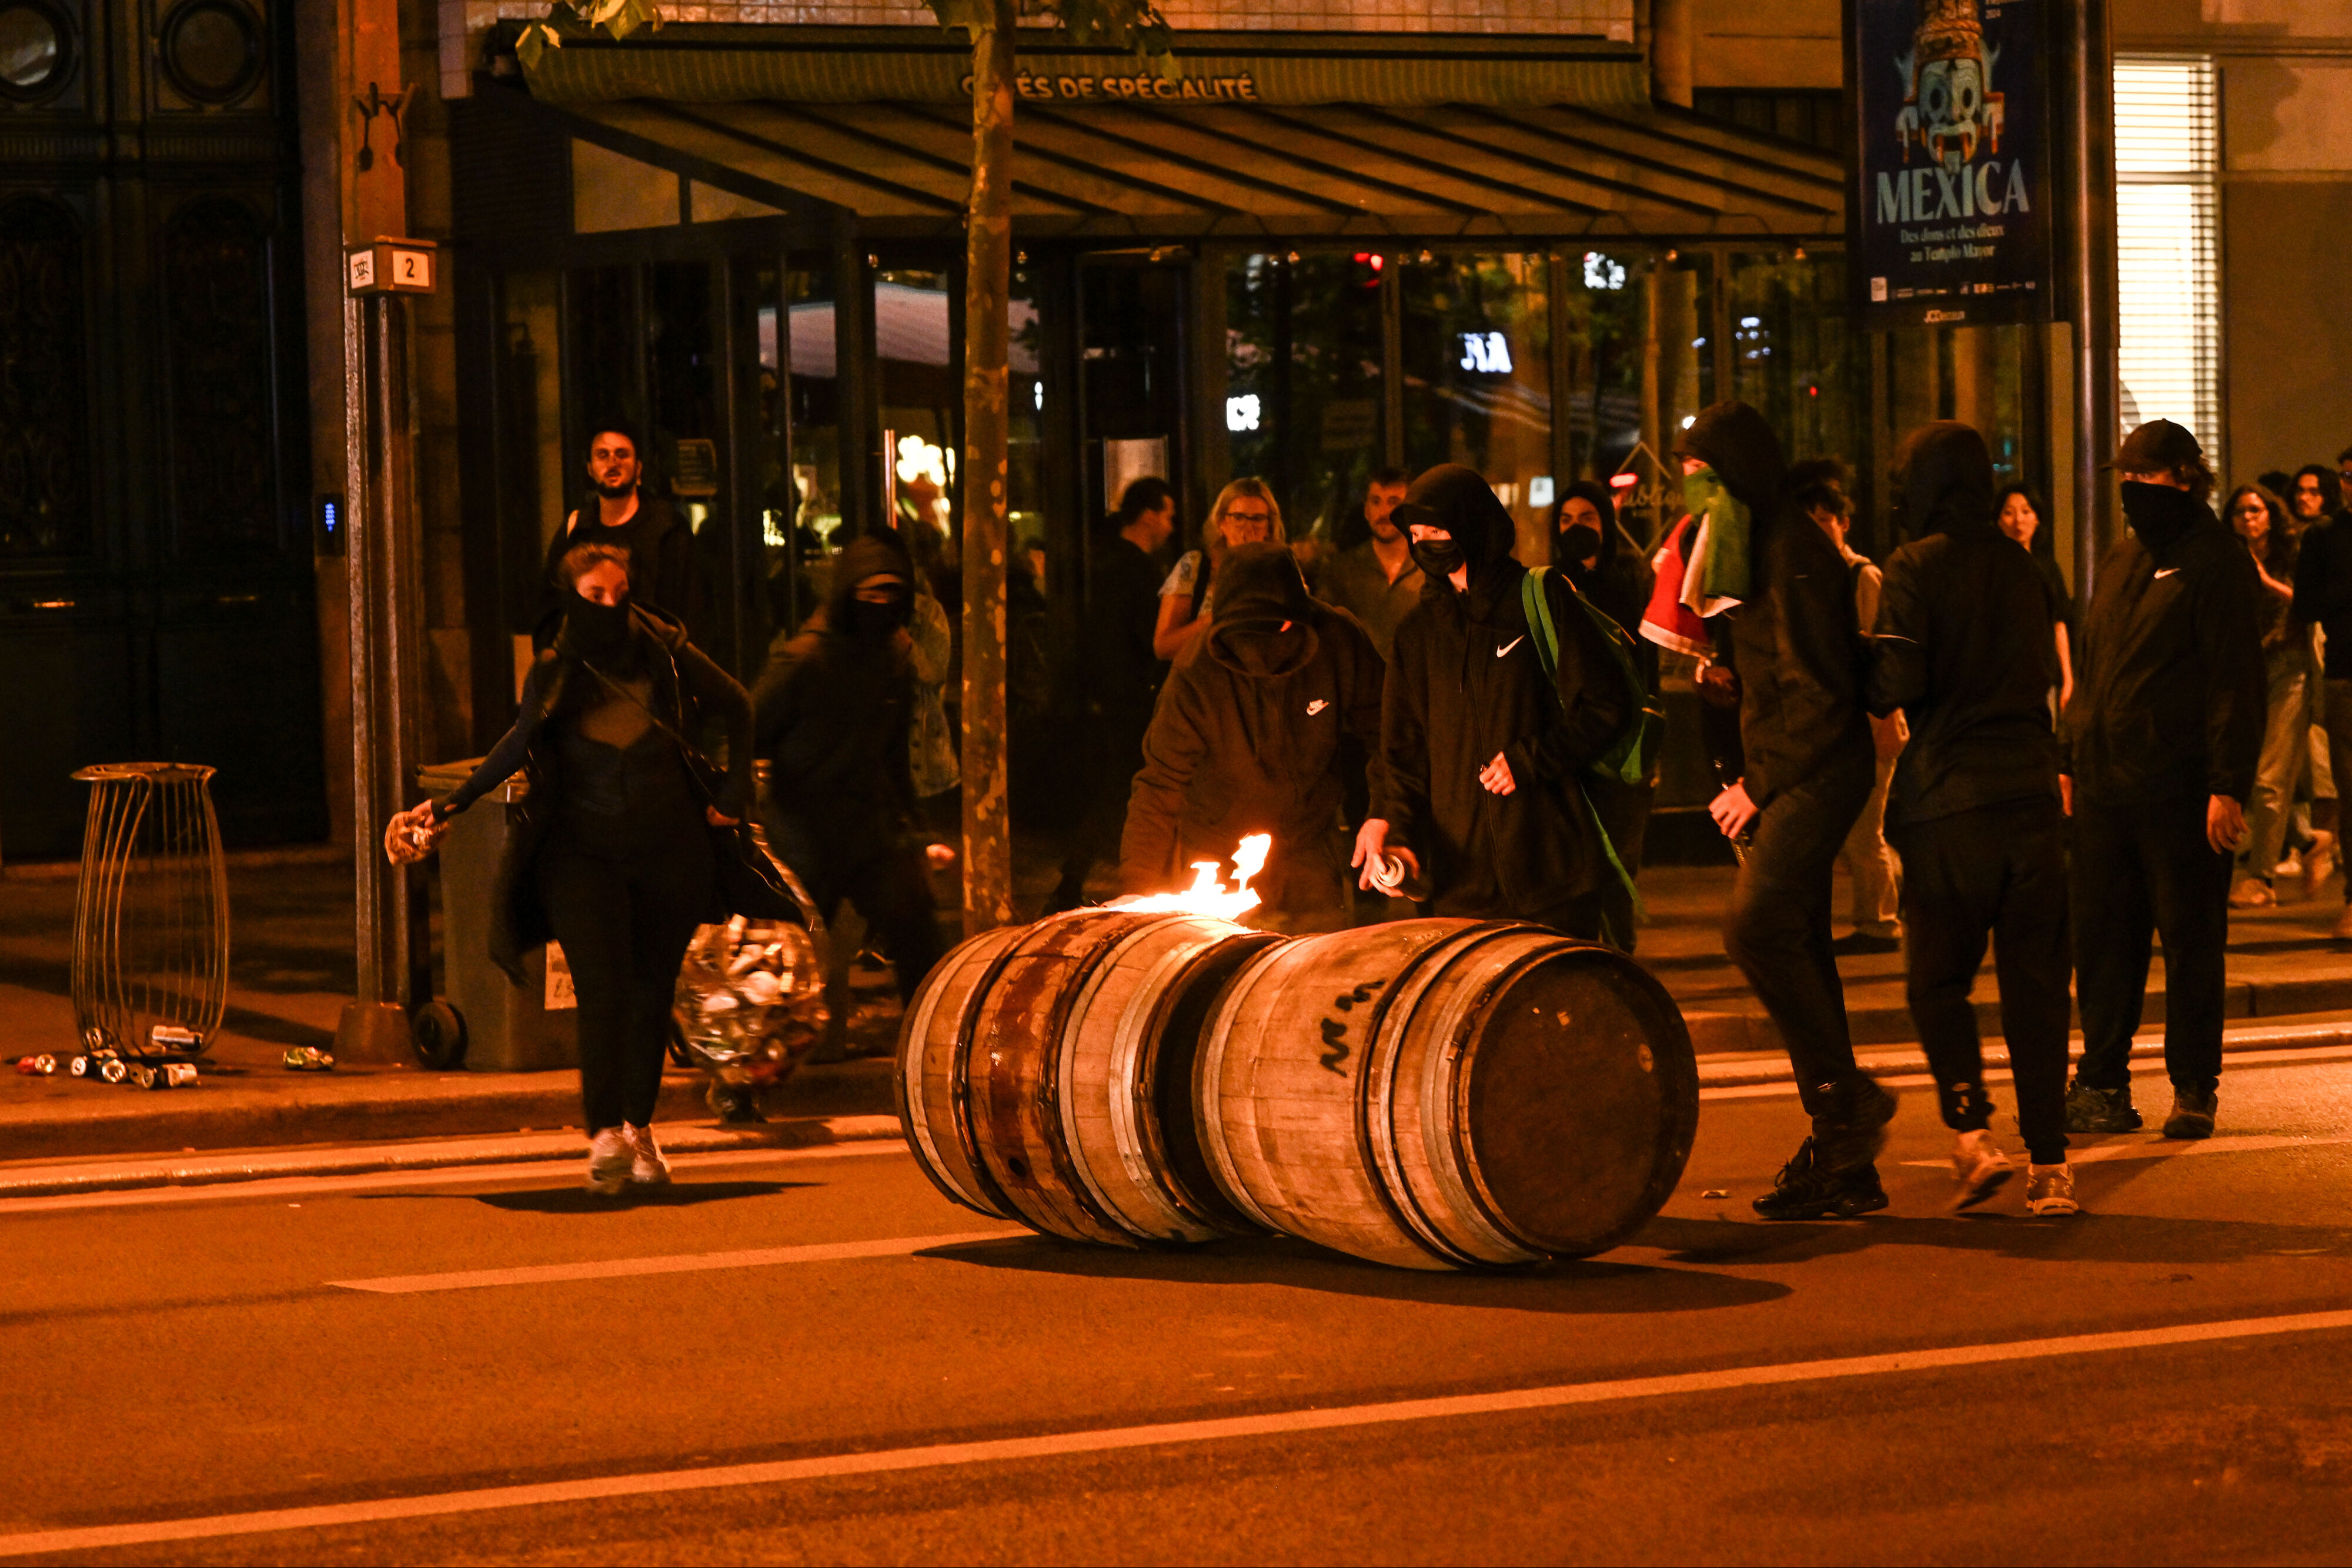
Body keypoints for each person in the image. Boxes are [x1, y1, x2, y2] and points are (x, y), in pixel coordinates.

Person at [387, 543, 755, 1195]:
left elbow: (738, 704)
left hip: (669, 849)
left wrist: (730, 800)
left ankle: (640, 1128)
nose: (611, 607)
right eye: (595, 596)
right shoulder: (555, 669)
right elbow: (519, 740)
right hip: (581, 854)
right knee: (603, 992)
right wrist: (452, 802)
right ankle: (605, 1132)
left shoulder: (664, 650)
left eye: (620, 593)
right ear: (570, 597)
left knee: (650, 993)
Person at [1867, 424, 2077, 1215]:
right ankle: (2052, 1166)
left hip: (1950, 800)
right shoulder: (2022, 566)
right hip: (2029, 795)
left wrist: (1857, 662)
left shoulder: (1914, 565)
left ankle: (1972, 1131)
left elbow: (1897, 678)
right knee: (2037, 987)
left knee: (1937, 979)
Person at [1683, 403, 1886, 1221]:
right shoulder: (1760, 540)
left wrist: (1755, 783)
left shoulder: (1791, 548)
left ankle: (1847, 1098)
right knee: (1796, 936)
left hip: (1815, 770)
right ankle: (1843, 1152)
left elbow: (1822, 690)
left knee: (1756, 925)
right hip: (1792, 764)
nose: (1689, 486)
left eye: (1700, 470)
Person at [2063, 420, 2264, 1141]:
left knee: (2189, 940)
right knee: (2103, 942)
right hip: (2105, 785)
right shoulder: (2123, 560)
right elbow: (2094, 668)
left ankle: (2192, 1086)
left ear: (2184, 476)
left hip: (2180, 789)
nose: (2130, 489)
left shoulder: (2215, 562)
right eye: (2127, 477)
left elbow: (2234, 683)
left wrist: (2227, 783)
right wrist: (2069, 758)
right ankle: (2102, 1082)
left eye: (2144, 477)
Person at [1354, 464, 1633, 940]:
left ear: (1472, 527)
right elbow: (1402, 750)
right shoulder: (1417, 635)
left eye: (1437, 531)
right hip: (1459, 887)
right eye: (1417, 535)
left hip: (1551, 875)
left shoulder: (1539, 600)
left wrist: (1531, 760)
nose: (1426, 545)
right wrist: (1395, 828)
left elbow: (1606, 706)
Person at [1121, 542, 1384, 932]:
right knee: (1217, 974)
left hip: (1308, 845)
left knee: (1317, 971)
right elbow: (1160, 782)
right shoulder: (1196, 670)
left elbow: (1389, 735)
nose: (1259, 647)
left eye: (1275, 629)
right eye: (1245, 634)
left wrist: (1385, 811)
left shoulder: (1339, 642)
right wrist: (1137, 888)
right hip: (1214, 850)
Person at [753, 533, 945, 1018]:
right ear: (847, 594)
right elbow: (749, 729)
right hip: (804, 830)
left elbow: (894, 755)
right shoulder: (803, 660)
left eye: (891, 595)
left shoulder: (893, 661)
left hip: (868, 828)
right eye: (870, 593)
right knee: (778, 960)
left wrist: (916, 830)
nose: (880, 605)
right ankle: (743, 1063)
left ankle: (930, 1040)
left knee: (917, 932)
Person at [1048, 478, 1177, 912]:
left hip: (1107, 695)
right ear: (1148, 516)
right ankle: (1082, 880)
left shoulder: (1104, 565)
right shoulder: (1139, 571)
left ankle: (1077, 880)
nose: (1171, 526)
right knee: (1126, 787)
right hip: (1131, 696)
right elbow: (1153, 638)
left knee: (1116, 787)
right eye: (1168, 515)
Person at [1793, 460, 1905, 956]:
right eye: (1811, 521)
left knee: (1865, 829)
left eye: (1826, 520)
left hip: (1871, 722)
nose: (1819, 529)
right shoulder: (1814, 578)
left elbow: (1881, 657)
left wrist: (1885, 718)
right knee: (1852, 831)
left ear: (1844, 523)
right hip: (1839, 726)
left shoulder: (1863, 576)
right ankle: (1890, 895)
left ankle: (1879, 923)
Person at [1555, 479, 1661, 947]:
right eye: (1566, 519)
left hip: (1624, 743)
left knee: (1620, 859)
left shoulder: (1631, 579)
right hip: (1571, 739)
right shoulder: (1550, 584)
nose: (1576, 528)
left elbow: (1649, 664)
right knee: (1576, 862)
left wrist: (1650, 745)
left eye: (1588, 518)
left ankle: (1621, 955)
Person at [2223, 483, 2308, 910]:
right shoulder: (2225, 556)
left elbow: (2308, 603)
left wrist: (2266, 582)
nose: (2248, 518)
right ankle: (2310, 843)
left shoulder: (2290, 553)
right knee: (2252, 770)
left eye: (2255, 510)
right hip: (2245, 670)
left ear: (2270, 515)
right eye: (2239, 511)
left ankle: (2262, 879)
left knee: (2269, 777)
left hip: (2288, 666)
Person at [537, 424, 700, 634]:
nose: (613, 462)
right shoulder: (577, 528)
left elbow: (687, 607)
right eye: (602, 455)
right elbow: (551, 606)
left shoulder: (667, 528)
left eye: (622, 454)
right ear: (590, 469)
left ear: (638, 468)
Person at [1155, 480, 1283, 661]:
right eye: (1238, 518)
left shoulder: (1280, 571)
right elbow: (1164, 648)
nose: (1248, 527)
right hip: (1203, 682)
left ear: (1269, 527)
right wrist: (1217, 618)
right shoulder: (1195, 566)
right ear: (1222, 523)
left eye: (1257, 519)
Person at [1317, 467, 1421, 662]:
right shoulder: (1342, 571)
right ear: (1366, 510)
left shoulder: (1429, 570)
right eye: (1376, 502)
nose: (1384, 512)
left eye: (1394, 502)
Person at [1995, 484, 2076, 713]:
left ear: (2037, 518)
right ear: (1999, 521)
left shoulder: (2047, 568)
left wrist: (2068, 680)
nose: (2018, 521)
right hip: (2001, 678)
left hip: (2041, 674)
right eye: (2009, 513)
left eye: (2026, 511)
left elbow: (2059, 624)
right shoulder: (1992, 570)